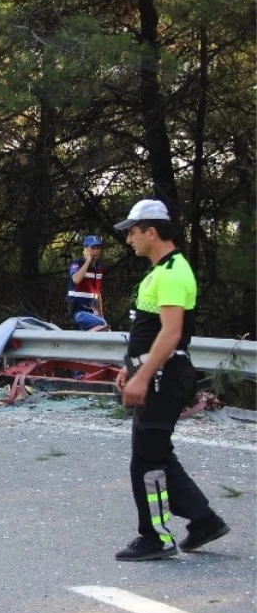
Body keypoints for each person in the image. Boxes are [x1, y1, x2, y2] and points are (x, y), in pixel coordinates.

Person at [112, 198, 229, 561]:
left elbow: (171, 333)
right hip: (157, 372)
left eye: (132, 231)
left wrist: (142, 376)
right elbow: (148, 332)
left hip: (163, 375)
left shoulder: (175, 272)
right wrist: (130, 368)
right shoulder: (161, 271)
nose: (128, 238)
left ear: (151, 231)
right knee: (156, 452)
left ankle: (156, 537)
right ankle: (204, 520)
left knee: (146, 459)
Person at [68, 235, 107, 331]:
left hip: (92, 312)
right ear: (85, 250)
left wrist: (101, 315)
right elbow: (76, 279)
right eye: (92, 248)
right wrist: (88, 261)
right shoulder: (76, 264)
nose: (96, 251)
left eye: (98, 248)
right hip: (78, 312)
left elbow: (97, 293)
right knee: (102, 324)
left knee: (103, 324)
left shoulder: (99, 269)